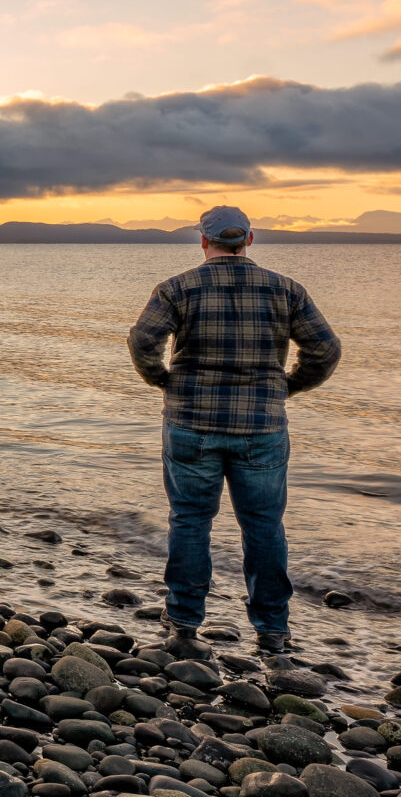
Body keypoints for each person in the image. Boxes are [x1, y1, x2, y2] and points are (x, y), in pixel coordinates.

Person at [129, 205, 341, 656]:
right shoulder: (286, 290)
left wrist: (162, 380)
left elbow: (142, 341)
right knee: (263, 527)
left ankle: (184, 619)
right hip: (261, 426)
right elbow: (324, 348)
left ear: (202, 240)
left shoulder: (177, 288)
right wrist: (287, 387)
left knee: (190, 520)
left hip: (191, 423)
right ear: (250, 239)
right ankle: (272, 629)